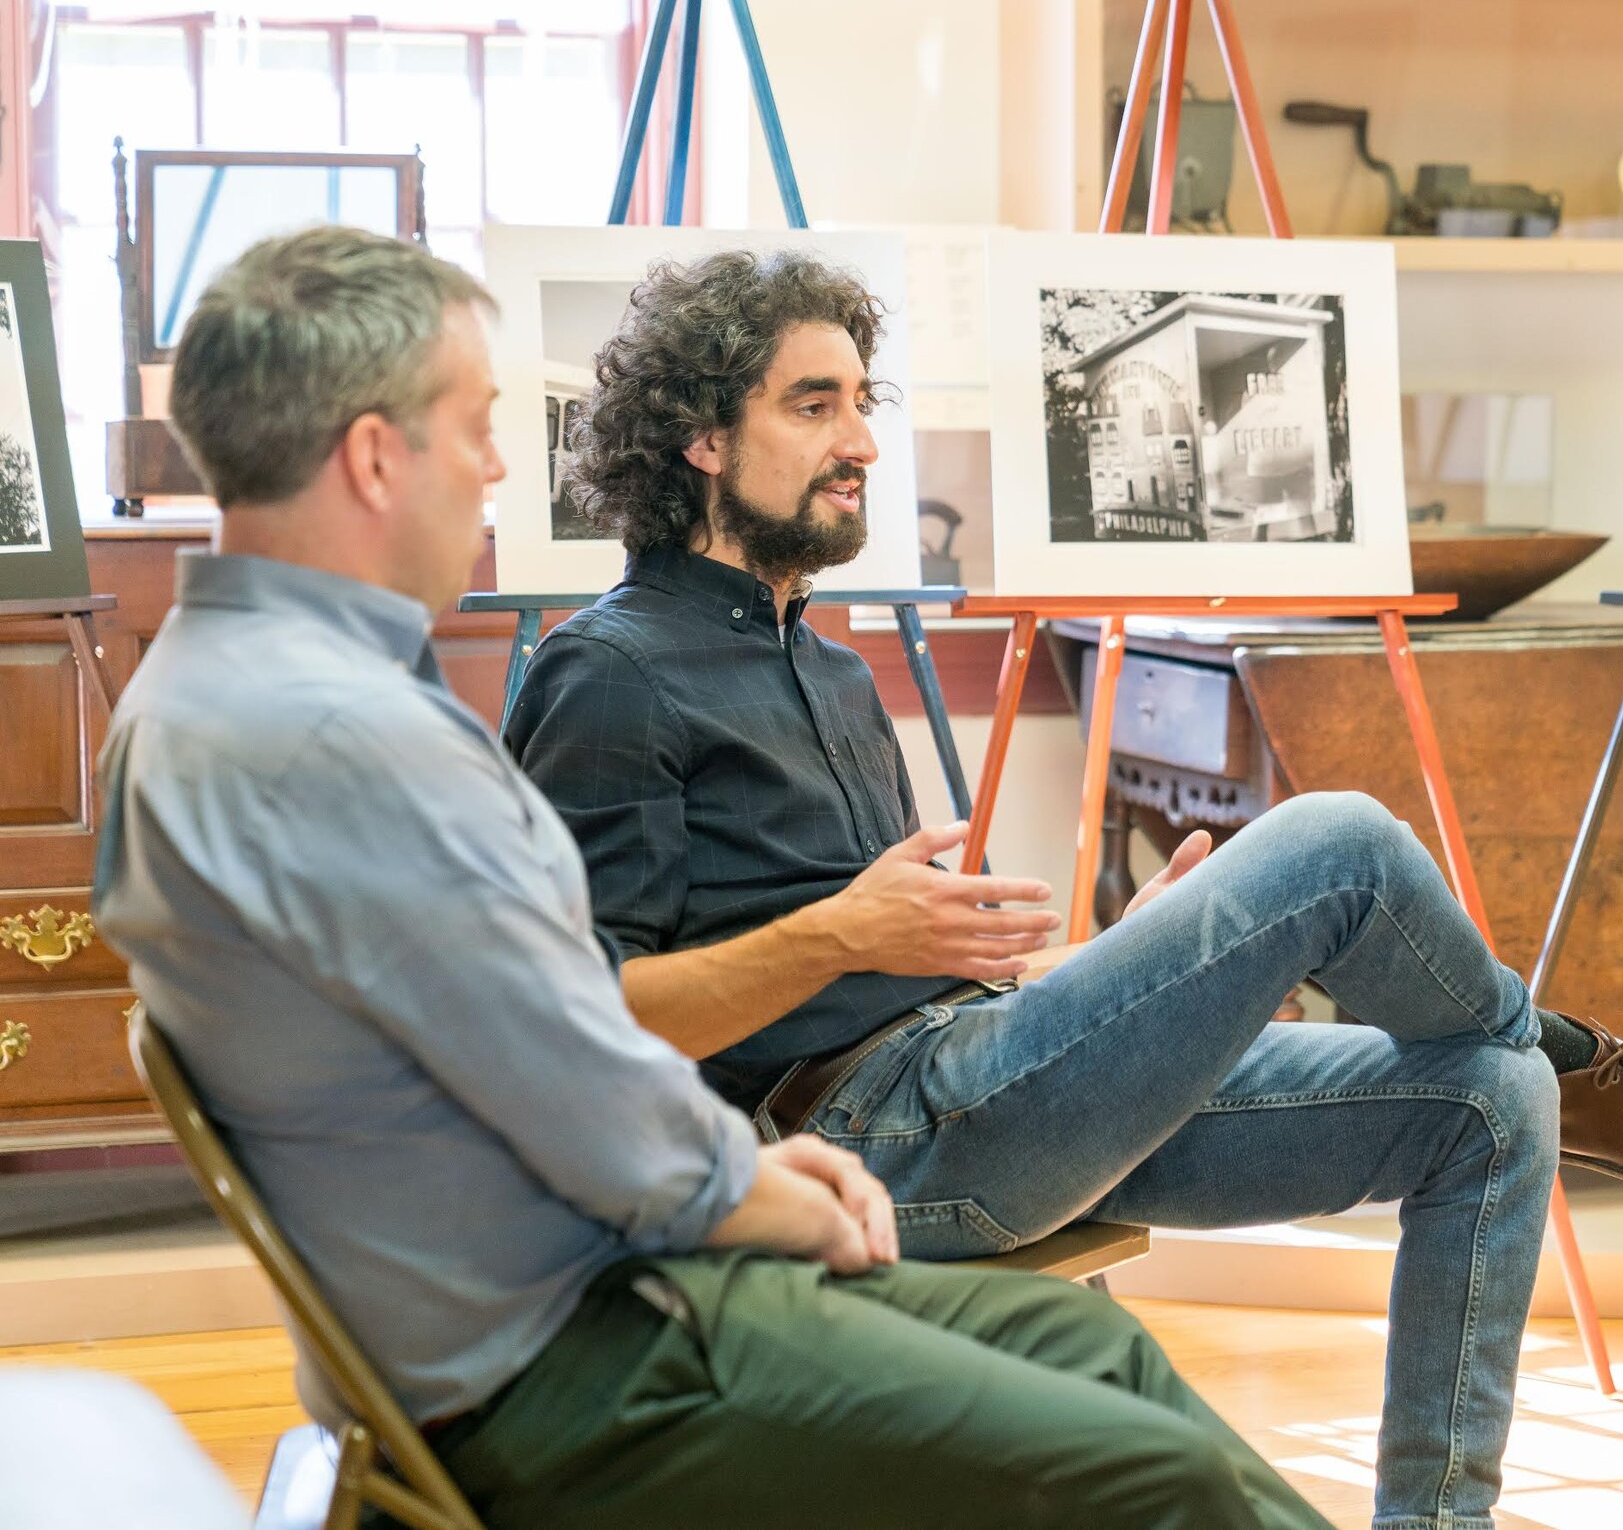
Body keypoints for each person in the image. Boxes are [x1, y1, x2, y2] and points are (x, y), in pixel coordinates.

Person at [503, 248, 1623, 1530]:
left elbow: (894, 966)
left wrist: (1106, 963)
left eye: (862, 401)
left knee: (1488, 1094)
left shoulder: (833, 671)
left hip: (971, 1074)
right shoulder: (605, 673)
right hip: (855, 1147)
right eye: (814, 403)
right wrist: (847, 927)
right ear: (701, 443)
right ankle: (1594, 1065)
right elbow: (588, 1021)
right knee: (1339, 840)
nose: (861, 441)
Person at [91, 226, 1330, 1530]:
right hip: (578, 1358)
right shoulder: (338, 735)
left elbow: (524, 1030)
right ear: (373, 455)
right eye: (475, 424)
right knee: (1154, 1471)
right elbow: (563, 1051)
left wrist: (744, 1170)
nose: (501, 463)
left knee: (1104, 1352)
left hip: (578, 1292)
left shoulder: (217, 687)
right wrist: (746, 1186)